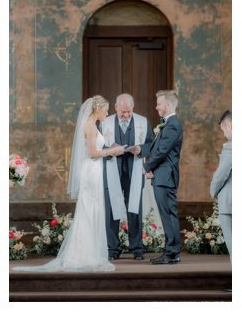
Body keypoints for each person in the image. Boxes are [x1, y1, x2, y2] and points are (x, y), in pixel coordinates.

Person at [16, 96, 125, 272]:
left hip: (95, 171)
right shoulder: (89, 126)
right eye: (105, 109)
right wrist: (114, 150)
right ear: (97, 109)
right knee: (88, 210)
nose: (107, 112)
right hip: (91, 172)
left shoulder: (93, 125)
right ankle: (83, 255)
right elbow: (93, 153)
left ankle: (92, 253)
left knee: (94, 210)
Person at [101, 94, 148, 260]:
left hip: (133, 172)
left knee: (134, 210)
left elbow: (151, 144)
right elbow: (97, 146)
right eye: (123, 112)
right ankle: (112, 250)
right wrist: (109, 149)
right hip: (111, 171)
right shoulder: (104, 123)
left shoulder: (143, 122)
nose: (127, 115)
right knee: (111, 211)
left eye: (129, 111)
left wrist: (141, 149)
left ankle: (137, 249)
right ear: (115, 108)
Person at [144, 90, 185, 265]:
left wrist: (147, 166)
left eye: (159, 103)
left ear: (167, 105)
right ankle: (171, 252)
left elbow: (162, 151)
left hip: (165, 175)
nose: (156, 107)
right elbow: (157, 149)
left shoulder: (173, 124)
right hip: (162, 175)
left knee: (168, 214)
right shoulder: (167, 124)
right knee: (166, 214)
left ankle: (172, 253)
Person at [209, 111, 232, 275]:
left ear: (229, 126)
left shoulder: (231, 146)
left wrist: (212, 191)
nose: (224, 134)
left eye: (224, 130)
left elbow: (221, 175)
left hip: (230, 205)